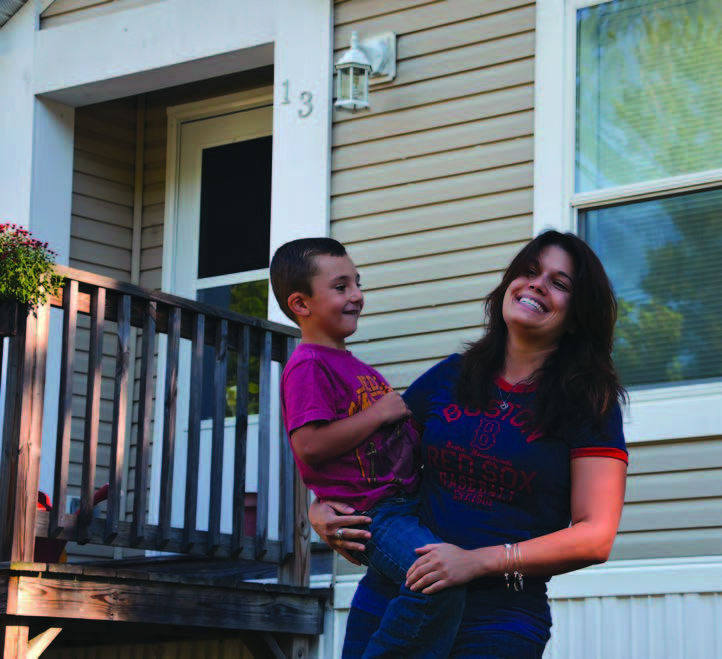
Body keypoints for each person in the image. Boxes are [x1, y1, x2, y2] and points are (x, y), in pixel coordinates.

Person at [310, 230, 629, 658]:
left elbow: (595, 536)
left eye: (559, 282)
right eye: (530, 271)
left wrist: (474, 561)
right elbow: (370, 461)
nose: (537, 284)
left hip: (499, 618)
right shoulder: (451, 376)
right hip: (398, 598)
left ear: (576, 315)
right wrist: (321, 509)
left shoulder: (590, 403)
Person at [270, 237, 466, 659]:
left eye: (357, 283)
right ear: (301, 304)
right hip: (375, 512)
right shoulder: (309, 365)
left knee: (427, 582)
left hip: (403, 504)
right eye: (341, 287)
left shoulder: (351, 365)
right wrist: (378, 414)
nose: (357, 295)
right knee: (436, 582)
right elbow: (308, 446)